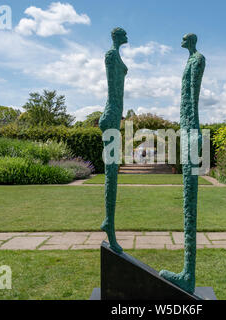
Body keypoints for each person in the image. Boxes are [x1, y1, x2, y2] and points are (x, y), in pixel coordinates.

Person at [160, 33, 206, 294]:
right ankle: (187, 272)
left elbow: (192, 97)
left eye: (184, 38)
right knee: (187, 201)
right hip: (188, 130)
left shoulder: (197, 59)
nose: (180, 40)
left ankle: (188, 275)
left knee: (189, 202)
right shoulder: (191, 60)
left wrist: (191, 132)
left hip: (191, 132)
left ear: (191, 40)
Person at [98, 27, 128, 254]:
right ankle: (109, 224)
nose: (127, 37)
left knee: (113, 172)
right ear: (117, 37)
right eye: (124, 34)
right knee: (111, 173)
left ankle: (109, 222)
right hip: (110, 115)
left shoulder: (116, 56)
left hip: (115, 115)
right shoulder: (111, 56)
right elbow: (113, 89)